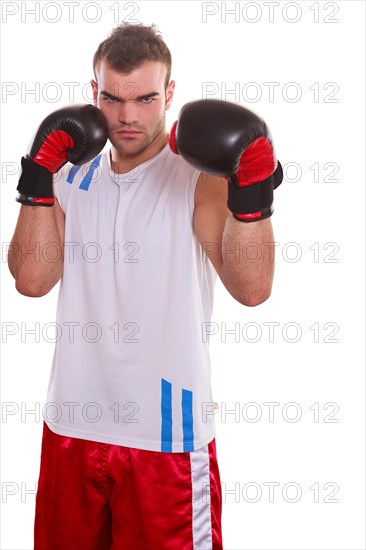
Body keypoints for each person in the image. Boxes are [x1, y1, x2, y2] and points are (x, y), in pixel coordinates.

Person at [7, 22, 281, 550]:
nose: (128, 116)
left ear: (170, 94)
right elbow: (31, 280)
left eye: (146, 98)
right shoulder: (70, 171)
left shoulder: (197, 177)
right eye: (112, 98)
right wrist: (38, 180)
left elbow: (252, 290)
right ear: (94, 93)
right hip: (72, 425)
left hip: (165, 440)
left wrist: (252, 190)